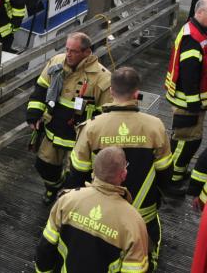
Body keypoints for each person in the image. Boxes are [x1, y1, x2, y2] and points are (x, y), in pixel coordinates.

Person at [67, 66, 171, 269]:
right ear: (136, 93)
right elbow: (165, 170)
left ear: (112, 91)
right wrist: (158, 195)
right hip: (143, 211)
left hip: (102, 212)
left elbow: (77, 172)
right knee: (143, 256)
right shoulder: (155, 126)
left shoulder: (92, 127)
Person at [26, 32, 112, 205]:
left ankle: (68, 200)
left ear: (87, 52)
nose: (68, 54)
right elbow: (42, 86)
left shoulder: (102, 78)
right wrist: (33, 114)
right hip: (53, 129)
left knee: (77, 175)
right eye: (67, 49)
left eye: (73, 51)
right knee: (44, 166)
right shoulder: (56, 62)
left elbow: (106, 115)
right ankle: (53, 187)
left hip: (80, 137)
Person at [34, 147, 149, 273]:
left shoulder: (66, 200)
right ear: (124, 174)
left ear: (94, 170)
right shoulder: (134, 222)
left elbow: (46, 247)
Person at [164, 0, 207, 193]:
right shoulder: (193, 39)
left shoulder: (200, 31)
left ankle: (179, 173)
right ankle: (171, 181)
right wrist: (193, 105)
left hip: (194, 102)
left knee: (191, 140)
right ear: (199, 12)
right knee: (184, 141)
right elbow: (189, 74)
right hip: (188, 103)